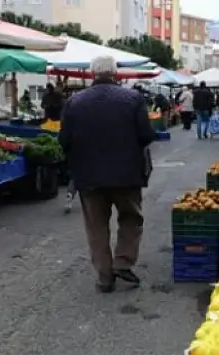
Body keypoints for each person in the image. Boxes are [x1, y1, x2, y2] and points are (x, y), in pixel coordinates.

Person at [58, 55, 157, 293]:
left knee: (96, 227)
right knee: (131, 218)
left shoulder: (74, 102)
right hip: (127, 175)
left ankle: (104, 277)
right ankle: (123, 261)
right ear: (115, 73)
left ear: (92, 73)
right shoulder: (133, 98)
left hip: (89, 177)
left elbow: (63, 140)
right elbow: (146, 135)